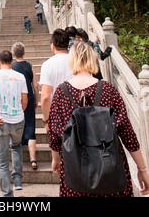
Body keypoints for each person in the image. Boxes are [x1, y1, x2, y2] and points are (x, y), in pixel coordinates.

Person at [49, 41, 149, 197]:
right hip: (110, 169)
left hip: (76, 169)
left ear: (72, 60)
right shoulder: (108, 89)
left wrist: (56, 159)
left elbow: (55, 134)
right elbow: (126, 132)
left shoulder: (61, 93)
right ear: (93, 59)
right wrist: (142, 169)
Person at [0, 50, 28, 197]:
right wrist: (19, 111)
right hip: (17, 120)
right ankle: (17, 181)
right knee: (16, 147)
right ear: (12, 61)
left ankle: (6, 194)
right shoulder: (20, 76)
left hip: (1, 120)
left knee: (2, 161)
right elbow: (25, 100)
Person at [12, 42, 39, 170]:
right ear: (24, 52)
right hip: (28, 97)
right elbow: (35, 85)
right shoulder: (29, 65)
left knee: (17, 126)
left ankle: (18, 159)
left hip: (16, 99)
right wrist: (36, 98)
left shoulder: (11, 66)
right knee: (30, 126)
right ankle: (33, 159)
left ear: (13, 53)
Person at [40, 29, 72, 131]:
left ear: (52, 45)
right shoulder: (77, 61)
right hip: (78, 112)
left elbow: (45, 96)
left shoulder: (47, 65)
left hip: (58, 115)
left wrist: (46, 119)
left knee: (59, 146)